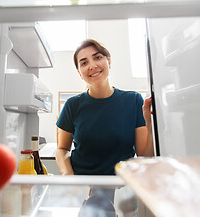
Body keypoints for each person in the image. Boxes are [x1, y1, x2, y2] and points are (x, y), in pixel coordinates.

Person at [55, 39, 154, 176]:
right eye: (84, 63)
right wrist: (68, 175)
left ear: (109, 61)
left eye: (97, 57)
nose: (92, 65)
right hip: (84, 186)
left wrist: (149, 123)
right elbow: (62, 149)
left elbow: (145, 157)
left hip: (122, 186)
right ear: (79, 73)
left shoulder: (133, 100)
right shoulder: (72, 105)